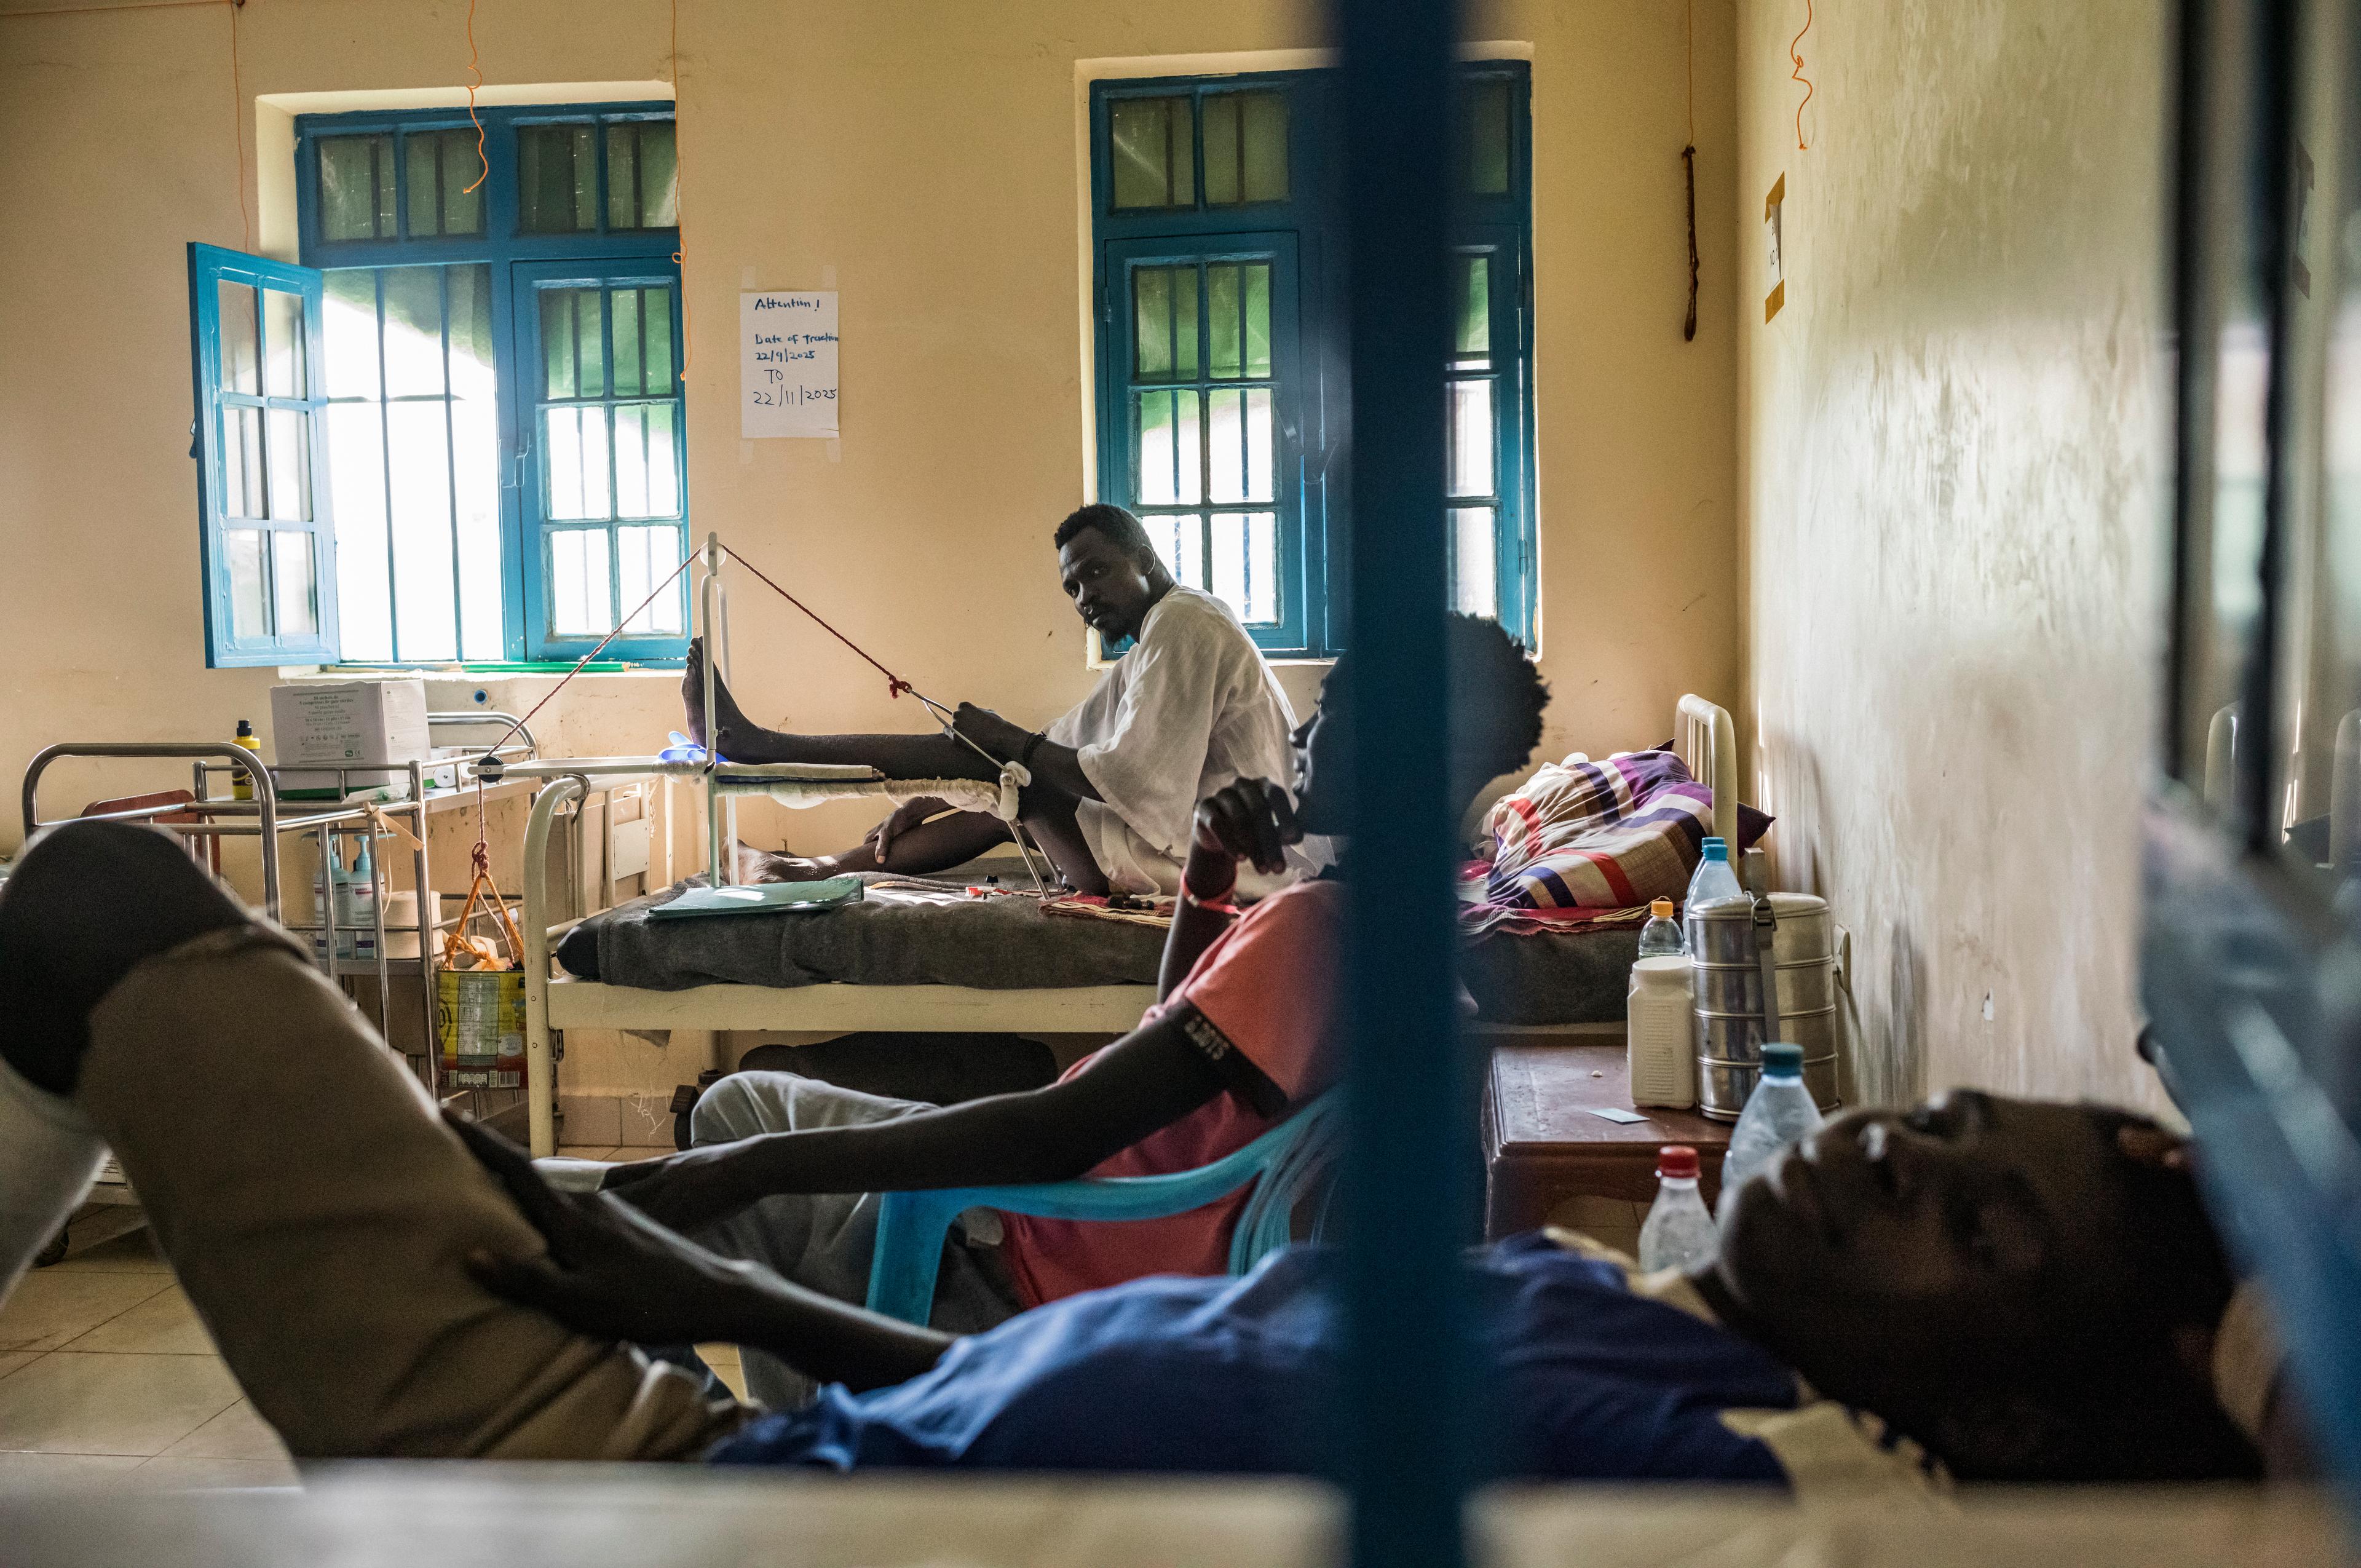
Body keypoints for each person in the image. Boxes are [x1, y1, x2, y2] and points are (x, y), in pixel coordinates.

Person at [0, 820, 2276, 1486]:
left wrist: (673, 1252)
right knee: (757, 1125)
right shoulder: (1635, 1312)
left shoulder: (1637, 1454)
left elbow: (1070, 1120)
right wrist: (685, 1281)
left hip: (659, 1489)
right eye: (1946, 1118)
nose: (1893, 1143)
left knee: (98, 900)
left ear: (1992, 1404)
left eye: (1969, 1212)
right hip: (746, 1408)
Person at [595, 613, 1549, 1408]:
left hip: (1037, 1258)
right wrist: (1207, 872)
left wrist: (748, 1171)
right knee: (740, 1114)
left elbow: (1057, 1132)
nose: (1299, 735)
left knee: (736, 1151)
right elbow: (1172, 1022)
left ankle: (798, 1456)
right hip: (1116, 1228)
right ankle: (811, 1437)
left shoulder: (1316, 927)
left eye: (1331, 716)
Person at [686, 503, 1308, 896]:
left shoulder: (1185, 624)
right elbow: (1068, 741)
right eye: (1070, 586)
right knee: (1000, 773)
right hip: (1205, 848)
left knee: (1001, 768)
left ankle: (762, 748)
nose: (1083, 597)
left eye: (1096, 572)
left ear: (1144, 559)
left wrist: (1003, 744)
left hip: (1241, 868)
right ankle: (813, 867)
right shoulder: (1156, 638)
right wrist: (925, 794)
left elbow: (1137, 781)